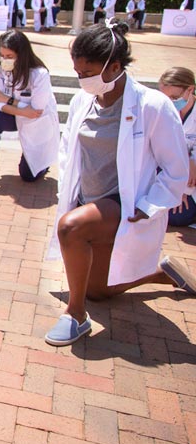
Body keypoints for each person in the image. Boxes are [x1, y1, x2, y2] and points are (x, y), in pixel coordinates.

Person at [45, 20, 192, 346]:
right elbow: (68, 152)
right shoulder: (82, 102)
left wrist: (146, 207)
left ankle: (75, 315)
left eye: (88, 73)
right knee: (97, 290)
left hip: (126, 203)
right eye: (77, 71)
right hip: (88, 198)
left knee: (70, 229)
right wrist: (66, 194)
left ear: (113, 67)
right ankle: (160, 274)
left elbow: (176, 171)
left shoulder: (152, 107)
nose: (81, 79)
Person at [0, 30, 59, 190]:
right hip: (15, 115)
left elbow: (37, 110)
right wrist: (22, 110)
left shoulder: (39, 74)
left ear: (22, 55)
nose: (5, 60)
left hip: (36, 122)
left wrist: (7, 100)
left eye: (10, 56)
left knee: (28, 175)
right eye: (2, 56)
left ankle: (41, 166)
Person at [157, 67, 196, 227]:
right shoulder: (160, 111)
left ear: (190, 90)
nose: (170, 103)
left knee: (178, 216)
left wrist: (185, 190)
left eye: (174, 97)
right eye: (165, 98)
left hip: (192, 179)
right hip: (169, 172)